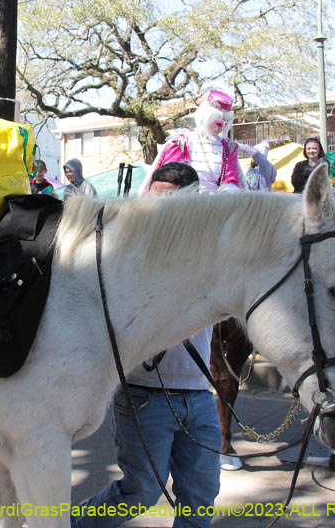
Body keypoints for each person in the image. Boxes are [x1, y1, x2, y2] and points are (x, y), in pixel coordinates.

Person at [73, 162, 221, 528]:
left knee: (201, 497)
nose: (157, 212)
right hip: (144, 395)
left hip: (199, 396)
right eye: (153, 201)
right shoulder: (129, 250)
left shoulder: (213, 251)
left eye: (167, 202)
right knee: (140, 492)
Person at [141, 84, 243, 194]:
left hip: (216, 206)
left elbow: (231, 179)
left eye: (226, 121)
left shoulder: (228, 148)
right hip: (184, 204)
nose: (223, 125)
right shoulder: (181, 142)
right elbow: (168, 178)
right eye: (219, 120)